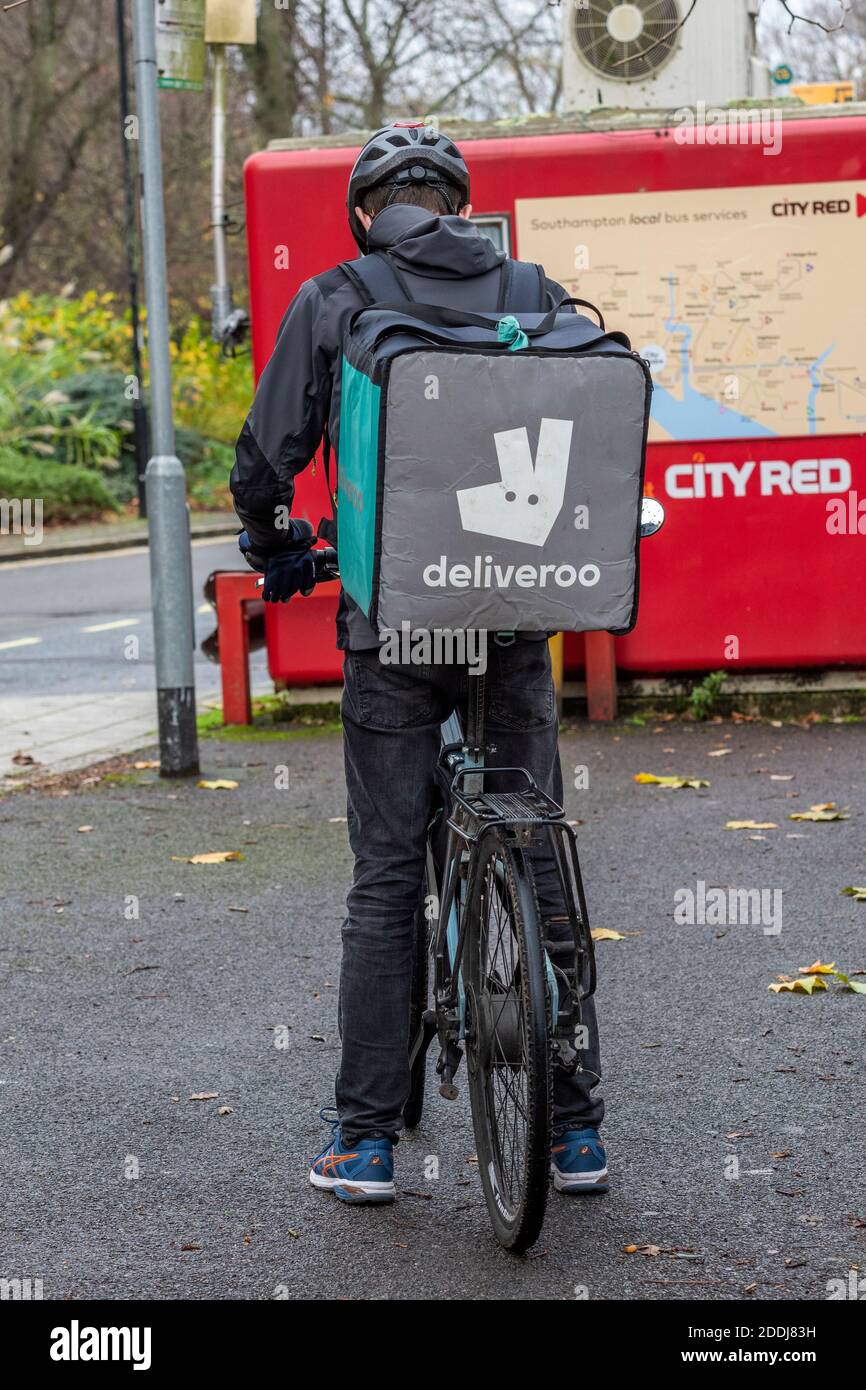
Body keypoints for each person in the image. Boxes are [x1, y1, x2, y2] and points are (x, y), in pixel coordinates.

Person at [230, 122, 607, 1206]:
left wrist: (270, 542)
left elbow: (269, 454)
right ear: (458, 204)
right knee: (534, 850)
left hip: (394, 625)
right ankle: (575, 1132)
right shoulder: (532, 292)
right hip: (513, 616)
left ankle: (361, 1142)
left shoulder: (340, 293)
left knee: (388, 872)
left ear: (366, 210)